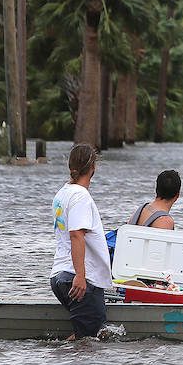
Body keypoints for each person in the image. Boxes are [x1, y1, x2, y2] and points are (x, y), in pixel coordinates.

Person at [50, 144, 110, 340]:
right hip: (78, 278)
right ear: (93, 167)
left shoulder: (62, 194)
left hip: (59, 275)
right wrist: (81, 276)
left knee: (89, 336)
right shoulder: (81, 196)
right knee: (88, 341)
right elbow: (76, 235)